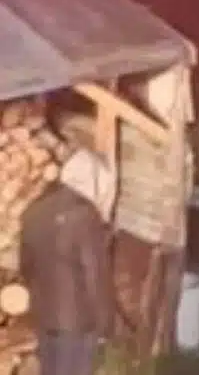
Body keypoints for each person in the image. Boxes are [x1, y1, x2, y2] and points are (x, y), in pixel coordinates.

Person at [20, 149, 116, 375]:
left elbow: (25, 266)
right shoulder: (86, 215)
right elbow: (95, 275)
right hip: (78, 322)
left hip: (44, 315)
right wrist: (105, 322)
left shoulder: (34, 209)